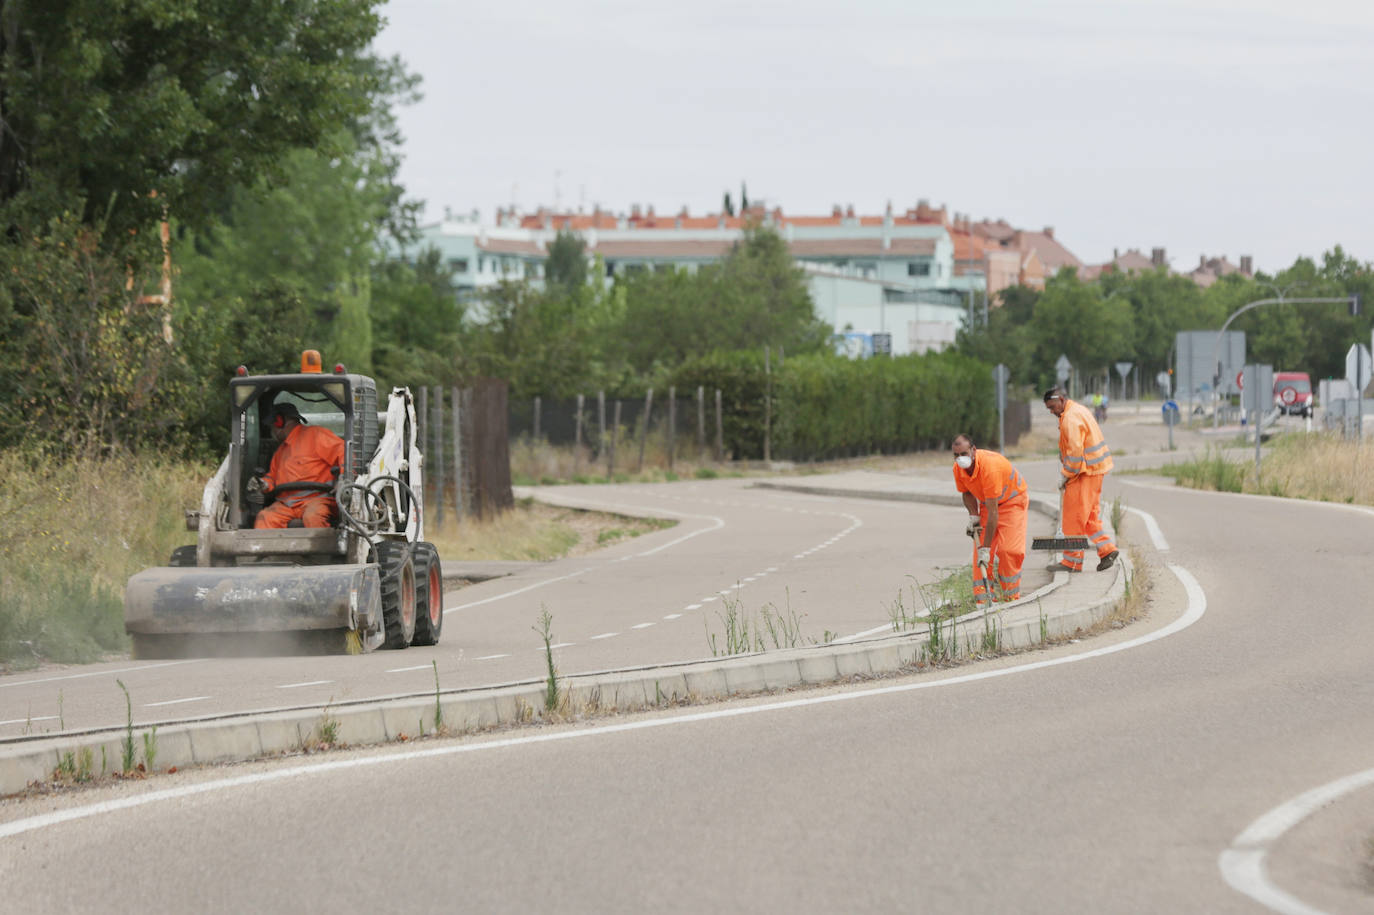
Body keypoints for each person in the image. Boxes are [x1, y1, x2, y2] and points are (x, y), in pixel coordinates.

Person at [1042, 387, 1119, 572]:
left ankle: (1072, 562)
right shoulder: (1078, 409)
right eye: (1049, 409)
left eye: (1052, 407)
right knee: (1089, 518)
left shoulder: (1070, 418)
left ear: (1061, 399)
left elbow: (1076, 455)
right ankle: (1107, 550)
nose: (1051, 411)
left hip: (1083, 473)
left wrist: (1066, 475)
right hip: (1094, 472)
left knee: (1073, 518)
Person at [951, 433, 1029, 602]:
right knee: (980, 556)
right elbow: (967, 493)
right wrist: (973, 516)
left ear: (973, 450)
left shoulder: (990, 467)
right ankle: (984, 600)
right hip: (987, 505)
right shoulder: (958, 469)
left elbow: (994, 514)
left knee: (1009, 551)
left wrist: (987, 548)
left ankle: (1011, 597)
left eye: (963, 454)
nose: (960, 458)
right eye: (956, 455)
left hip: (1012, 502)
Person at [253, 402, 346, 529]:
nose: (272, 430)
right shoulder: (280, 452)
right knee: (265, 518)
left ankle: (321, 549)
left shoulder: (316, 435)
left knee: (313, 517)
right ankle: (266, 549)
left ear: (280, 421)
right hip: (286, 505)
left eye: (272, 425)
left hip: (317, 500)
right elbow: (272, 478)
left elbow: (344, 453)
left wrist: (343, 478)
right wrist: (262, 483)